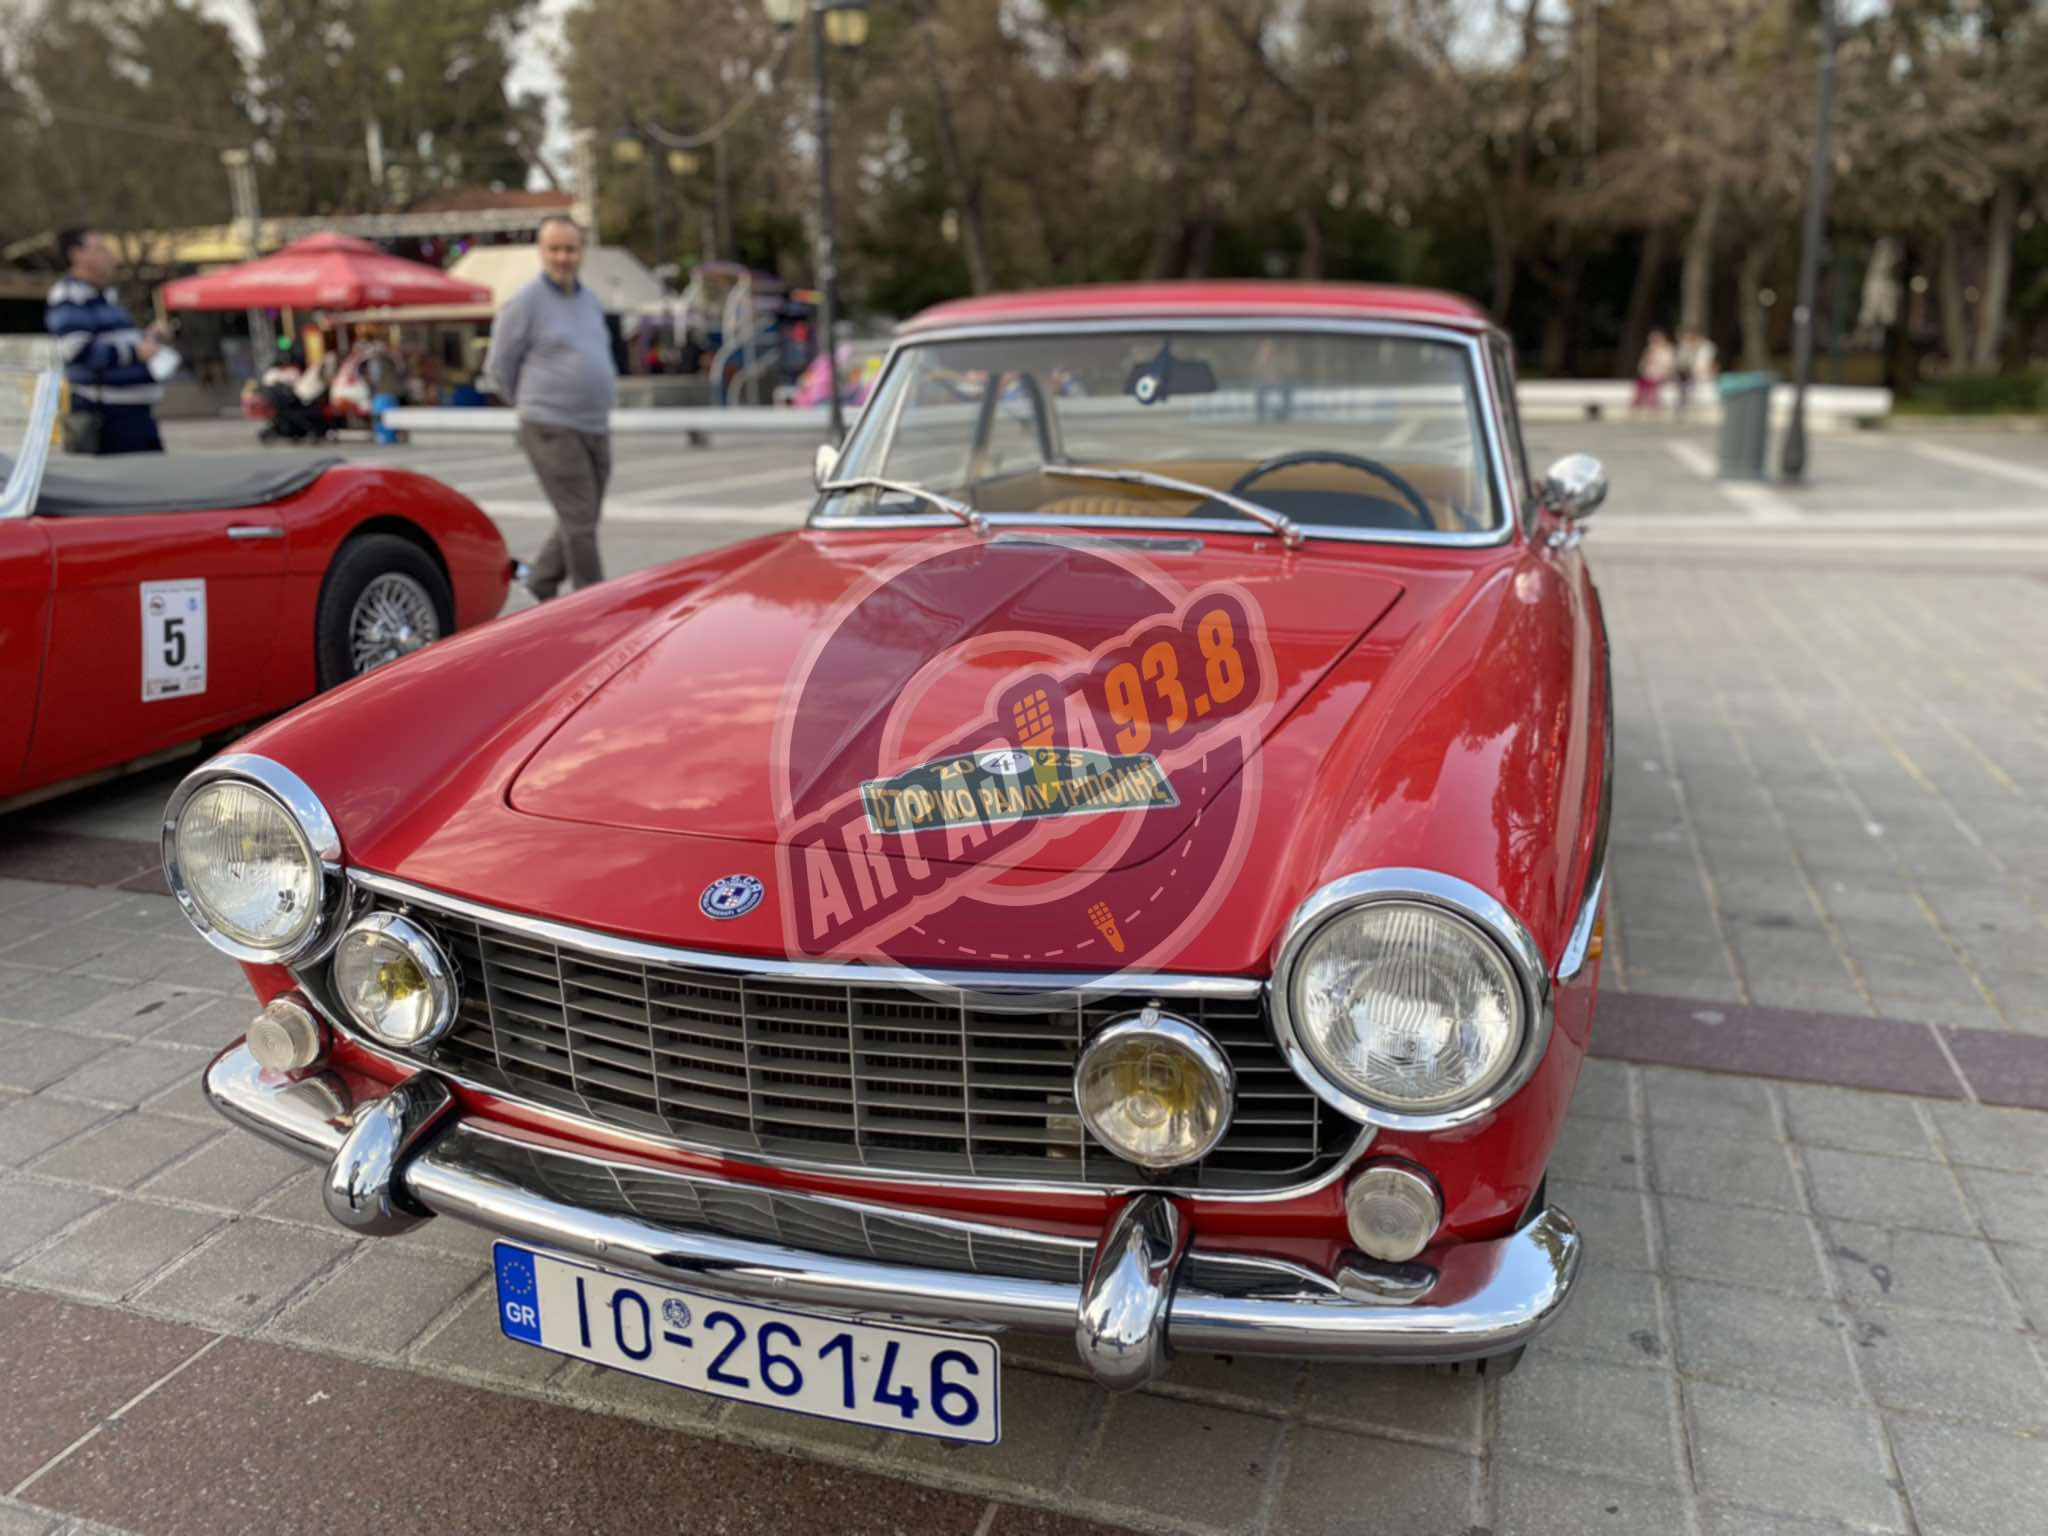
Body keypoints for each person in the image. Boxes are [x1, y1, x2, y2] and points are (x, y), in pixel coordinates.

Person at [484, 216, 616, 598]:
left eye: (570, 249)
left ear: (582, 252)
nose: (562, 257)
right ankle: (594, 602)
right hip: (550, 425)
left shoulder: (590, 301)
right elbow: (499, 366)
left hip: (594, 424)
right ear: (541, 252)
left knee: (582, 515)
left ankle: (541, 580)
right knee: (580, 519)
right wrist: (533, 405)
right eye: (554, 249)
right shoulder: (525, 302)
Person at [46, 228, 168, 454]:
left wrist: (148, 338)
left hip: (134, 413)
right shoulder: (69, 295)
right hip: (106, 418)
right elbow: (76, 349)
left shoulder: (106, 296)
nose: (110, 256)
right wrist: (135, 352)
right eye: (100, 249)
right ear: (77, 255)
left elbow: (114, 340)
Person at [1673, 327, 1718, 418]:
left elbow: (1714, 366)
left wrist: (1709, 374)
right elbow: (1681, 367)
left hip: (1706, 383)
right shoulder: (1684, 349)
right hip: (1690, 384)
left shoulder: (1708, 348)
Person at [1632, 330, 1675, 415]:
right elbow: (1642, 365)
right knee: (1642, 383)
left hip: (1662, 374)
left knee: (1652, 383)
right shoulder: (1649, 350)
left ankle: (1652, 402)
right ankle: (1639, 402)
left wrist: (1658, 366)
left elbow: (1669, 365)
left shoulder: (1668, 350)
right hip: (1649, 374)